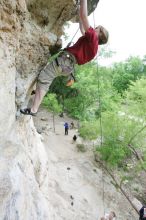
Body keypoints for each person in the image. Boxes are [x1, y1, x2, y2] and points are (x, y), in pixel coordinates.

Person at [20, 0, 109, 116]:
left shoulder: (94, 39)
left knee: (44, 78)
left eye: (98, 28)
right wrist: (78, 14)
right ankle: (36, 94)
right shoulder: (93, 46)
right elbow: (83, 29)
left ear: (100, 34)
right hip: (67, 65)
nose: (95, 28)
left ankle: (33, 110)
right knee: (46, 77)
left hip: (65, 61)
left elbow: (84, 16)